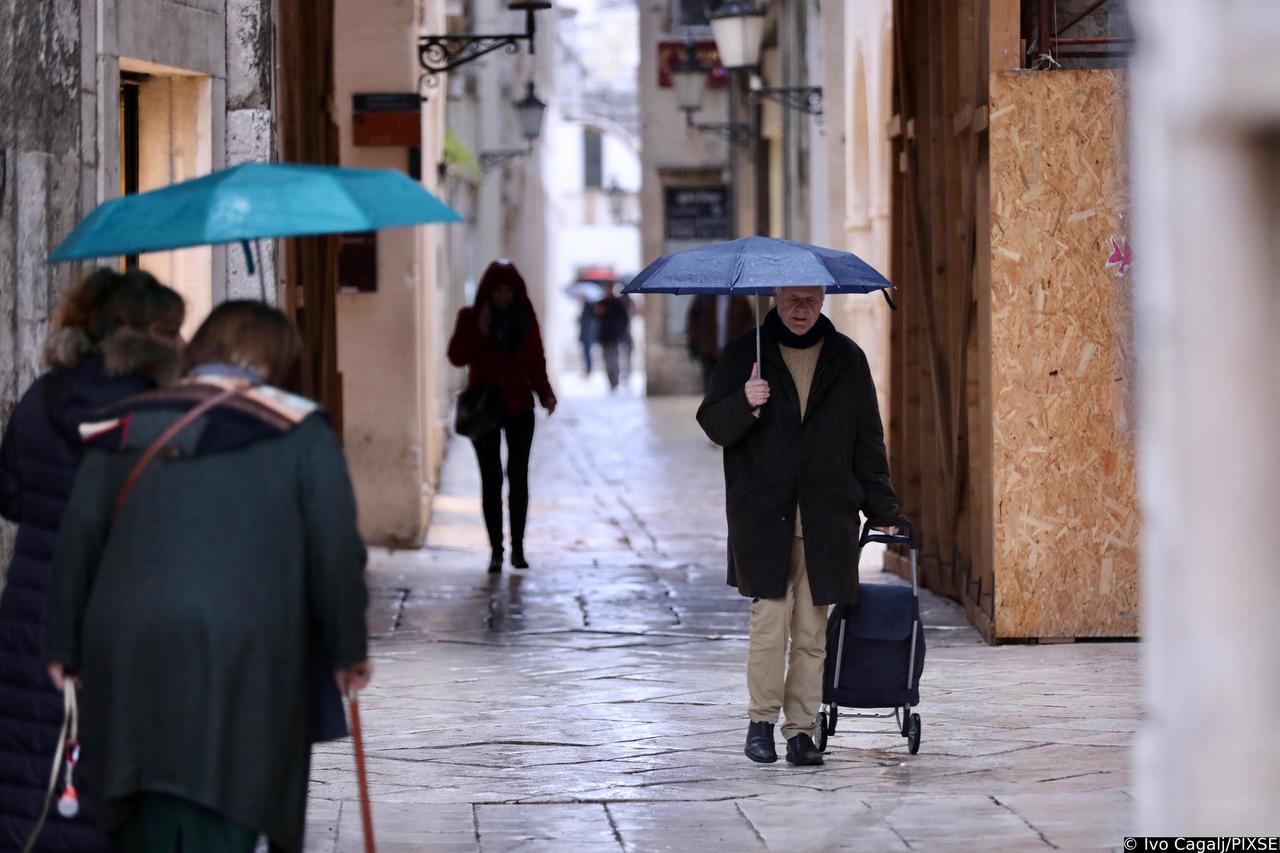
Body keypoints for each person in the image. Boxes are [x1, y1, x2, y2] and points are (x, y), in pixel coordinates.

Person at [43, 301, 371, 853]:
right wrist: (347, 649)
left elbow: (77, 539)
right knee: (228, 800)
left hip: (125, 648)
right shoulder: (301, 431)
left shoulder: (124, 423)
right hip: (243, 655)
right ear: (276, 358)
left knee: (139, 802)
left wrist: (62, 644)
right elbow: (337, 552)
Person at [0, 268, 184, 853]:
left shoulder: (38, 400)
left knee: (30, 772)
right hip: (120, 624)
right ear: (142, 335)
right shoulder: (158, 417)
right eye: (172, 330)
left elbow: (10, 496)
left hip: (32, 621)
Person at [695, 286, 903, 767]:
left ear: (824, 300)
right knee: (769, 620)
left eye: (811, 299)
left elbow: (868, 441)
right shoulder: (745, 353)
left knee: (812, 631)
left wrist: (884, 511)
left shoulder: (847, 359)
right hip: (763, 514)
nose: (801, 309)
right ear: (774, 298)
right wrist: (745, 402)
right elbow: (712, 424)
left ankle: (802, 732)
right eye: (792, 299)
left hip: (826, 514)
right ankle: (761, 723)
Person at [448, 260, 556, 573]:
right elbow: (456, 357)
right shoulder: (471, 318)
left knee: (518, 477)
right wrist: (477, 332)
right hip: (485, 408)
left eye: (507, 290)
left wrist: (545, 393)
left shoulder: (526, 320)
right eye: (497, 290)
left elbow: (537, 360)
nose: (502, 296)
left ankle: (518, 548)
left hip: (519, 406)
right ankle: (496, 550)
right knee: (491, 479)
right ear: (488, 291)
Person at [686, 294, 756, 390]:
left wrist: (742, 345)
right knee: (710, 390)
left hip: (733, 355)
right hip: (710, 354)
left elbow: (749, 324)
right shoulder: (704, 297)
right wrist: (701, 343)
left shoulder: (740, 299)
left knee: (731, 390)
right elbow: (692, 322)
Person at [593, 284, 630, 391]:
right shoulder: (601, 303)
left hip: (615, 336)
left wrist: (619, 331)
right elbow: (595, 317)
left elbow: (624, 319)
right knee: (607, 360)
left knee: (613, 359)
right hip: (604, 336)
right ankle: (611, 381)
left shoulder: (618, 303)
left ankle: (615, 381)